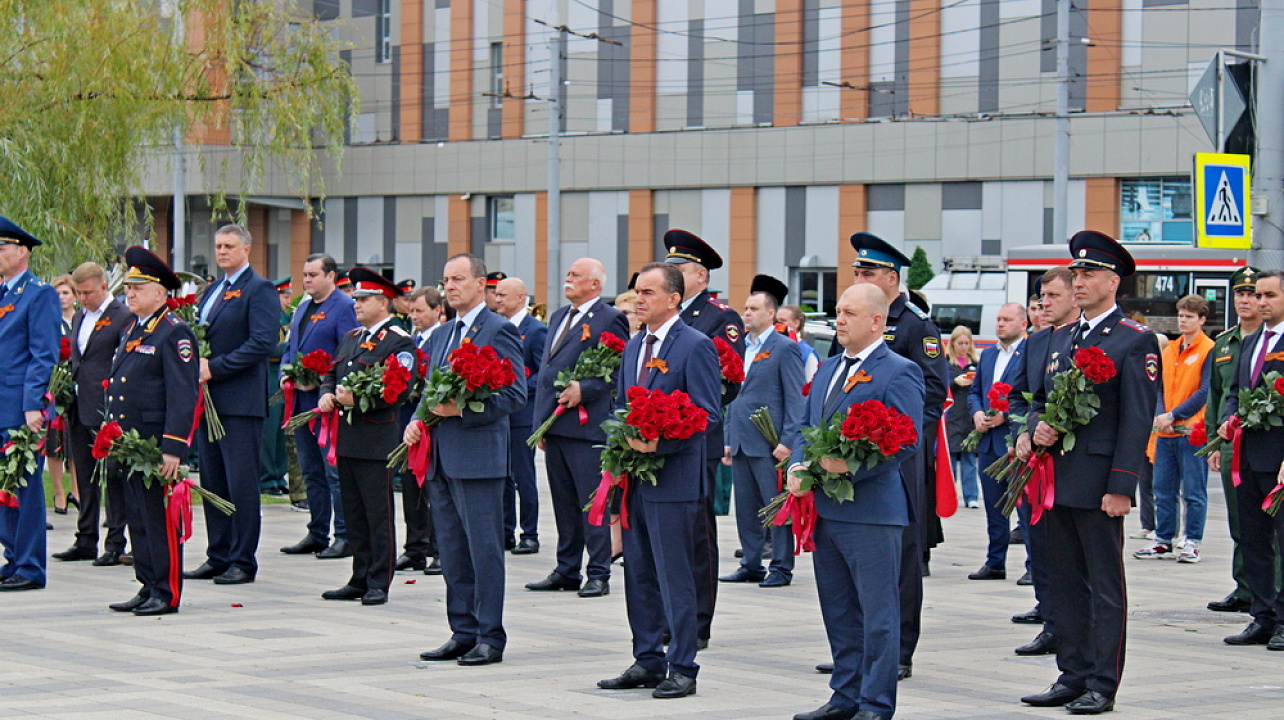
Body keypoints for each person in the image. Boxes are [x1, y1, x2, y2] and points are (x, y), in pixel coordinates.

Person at [1021, 231, 1159, 714]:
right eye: (1075, 273)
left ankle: (1102, 681)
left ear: (1113, 281)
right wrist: (1034, 428)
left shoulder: (1133, 340)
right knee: (1062, 582)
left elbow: (1136, 419)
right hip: (1055, 480)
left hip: (1099, 484)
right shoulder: (1061, 336)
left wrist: (1122, 486)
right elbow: (1038, 402)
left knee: (1103, 586)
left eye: (1089, 274)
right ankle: (1071, 673)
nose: (1079, 281)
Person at [788, 284, 925, 720]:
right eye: (837, 312)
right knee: (839, 608)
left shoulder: (899, 371)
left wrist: (850, 468)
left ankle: (876, 703)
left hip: (873, 512)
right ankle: (844, 696)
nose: (839, 319)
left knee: (878, 615)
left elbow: (906, 440)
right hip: (828, 509)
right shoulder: (829, 369)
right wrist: (796, 467)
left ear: (876, 321)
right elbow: (805, 428)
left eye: (848, 312)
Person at [821, 232, 947, 681]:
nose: (859, 277)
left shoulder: (915, 326)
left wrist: (893, 441)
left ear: (892, 279)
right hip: (841, 459)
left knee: (899, 556)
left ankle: (898, 650)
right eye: (856, 272)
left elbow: (932, 395)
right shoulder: (851, 322)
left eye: (868, 273)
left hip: (897, 458)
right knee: (845, 562)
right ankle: (856, 649)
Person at [596, 262, 720, 699]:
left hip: (674, 482)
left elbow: (707, 414)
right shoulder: (634, 347)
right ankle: (646, 657)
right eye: (635, 292)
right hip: (635, 478)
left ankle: (683, 664)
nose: (639, 299)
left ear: (673, 299)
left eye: (648, 292)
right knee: (639, 573)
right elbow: (623, 408)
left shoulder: (696, 345)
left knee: (674, 575)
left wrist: (659, 443)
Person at [411, 254, 525, 667]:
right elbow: (427, 392)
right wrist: (415, 423)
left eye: (458, 278)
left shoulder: (498, 330)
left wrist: (462, 410)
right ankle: (462, 630)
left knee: (484, 551)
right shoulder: (440, 335)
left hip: (478, 458)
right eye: (445, 280)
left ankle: (490, 636)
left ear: (482, 284)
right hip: (441, 456)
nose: (450, 286)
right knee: (453, 551)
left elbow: (514, 395)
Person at [103, 247, 200, 615]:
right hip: (130, 445)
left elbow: (182, 394)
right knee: (138, 520)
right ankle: (147, 583)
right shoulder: (132, 329)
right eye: (128, 288)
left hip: (156, 446)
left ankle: (166, 591)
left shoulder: (174, 333)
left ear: (160, 293)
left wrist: (173, 448)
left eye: (138, 288)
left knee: (160, 522)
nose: (130, 294)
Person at [526, 258, 629, 597]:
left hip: (587, 429)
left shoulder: (610, 318)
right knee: (564, 502)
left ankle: (598, 571)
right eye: (567, 273)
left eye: (575, 275)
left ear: (596, 285)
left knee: (591, 502)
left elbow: (616, 370)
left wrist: (585, 389)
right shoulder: (558, 317)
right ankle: (566, 567)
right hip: (557, 426)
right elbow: (546, 371)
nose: (567, 279)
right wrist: (542, 422)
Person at [184, 224, 278, 586]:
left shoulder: (259, 289)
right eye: (218, 245)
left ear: (247, 249)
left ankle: (242, 558)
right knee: (213, 481)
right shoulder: (211, 291)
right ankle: (218, 554)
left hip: (239, 401)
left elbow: (262, 343)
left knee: (240, 483)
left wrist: (214, 368)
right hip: (208, 402)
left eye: (229, 246)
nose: (222, 251)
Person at [317, 268, 417, 606]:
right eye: (356, 298)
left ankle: (379, 580)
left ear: (383, 303)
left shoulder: (399, 341)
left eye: (364, 299)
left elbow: (399, 389)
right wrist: (327, 393)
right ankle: (359, 577)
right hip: (347, 438)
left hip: (376, 442)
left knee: (378, 515)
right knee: (354, 513)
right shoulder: (352, 337)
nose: (356, 304)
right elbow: (331, 372)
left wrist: (356, 400)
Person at [665, 228, 744, 647]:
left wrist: (677, 412)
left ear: (700, 276)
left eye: (677, 268)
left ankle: (697, 622)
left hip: (697, 442)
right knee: (663, 535)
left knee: (697, 535)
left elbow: (727, 383)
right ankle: (669, 618)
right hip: (657, 442)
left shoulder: (720, 319)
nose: (670, 273)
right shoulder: (666, 316)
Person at [1009, 266, 1078, 658]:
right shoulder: (1035, 343)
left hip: (1069, 463)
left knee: (1068, 552)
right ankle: (1050, 620)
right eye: (1040, 298)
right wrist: (1024, 432)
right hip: (1035, 461)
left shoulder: (1082, 339)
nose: (1043, 305)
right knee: (1041, 544)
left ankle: (1069, 625)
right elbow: (1021, 398)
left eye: (1052, 296)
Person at [720, 274, 804, 587]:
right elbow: (733, 398)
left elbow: (796, 399)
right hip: (742, 442)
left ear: (771, 313)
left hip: (771, 446)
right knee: (746, 509)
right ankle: (751, 564)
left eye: (754, 309)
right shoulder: (741, 347)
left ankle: (781, 567)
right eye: (745, 308)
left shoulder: (784, 348)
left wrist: (788, 441)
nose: (746, 313)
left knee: (777, 508)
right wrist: (728, 439)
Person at [1218, 269, 1284, 651]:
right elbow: (1234, 391)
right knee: (1254, 540)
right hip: (1248, 456)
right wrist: (1229, 418)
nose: (1261, 302)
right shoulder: (1250, 340)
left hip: (1279, 462)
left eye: (1269, 296)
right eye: (1258, 295)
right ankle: (1263, 616)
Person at [278, 254, 359, 560]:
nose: (307, 280)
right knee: (310, 470)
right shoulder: (301, 309)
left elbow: (347, 354)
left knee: (333, 471)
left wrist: (322, 382)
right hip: (300, 401)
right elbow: (289, 349)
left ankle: (344, 534)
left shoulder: (344, 308)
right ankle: (317, 531)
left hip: (327, 404)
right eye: (304, 274)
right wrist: (287, 375)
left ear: (331, 277)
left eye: (313, 274)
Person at [52, 262, 133, 566]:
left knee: (112, 476)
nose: (82, 298)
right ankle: (85, 538)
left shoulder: (122, 316)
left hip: (108, 408)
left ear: (103, 286)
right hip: (78, 405)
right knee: (84, 475)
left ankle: (114, 542)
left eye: (87, 292)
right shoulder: (80, 317)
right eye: (78, 293)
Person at [1205, 267, 1274, 613]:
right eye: (1245, 295)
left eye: (1260, 295)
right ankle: (1251, 598)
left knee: (1272, 533)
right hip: (1236, 447)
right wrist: (1215, 442)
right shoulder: (1232, 342)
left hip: (1272, 452)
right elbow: (1220, 395)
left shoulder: (1269, 339)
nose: (1252, 301)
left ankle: (1274, 604)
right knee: (1244, 527)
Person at [0, 216, 59, 592]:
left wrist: (33, 405)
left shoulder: (39, 294)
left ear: (22, 251)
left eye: (1, 248)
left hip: (21, 410)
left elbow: (43, 355)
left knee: (25, 486)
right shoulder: (3, 293)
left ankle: (30, 566)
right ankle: (12, 559)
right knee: (4, 487)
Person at [1137, 295, 1213, 563]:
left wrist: (1174, 414)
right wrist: (1160, 414)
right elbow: (1158, 386)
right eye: (1180, 315)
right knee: (1162, 489)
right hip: (1166, 431)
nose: (1183, 320)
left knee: (1193, 492)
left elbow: (1205, 391)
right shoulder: (1169, 348)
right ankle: (1163, 539)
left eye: (1189, 316)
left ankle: (1192, 541)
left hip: (1192, 431)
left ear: (1202, 320)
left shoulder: (1208, 349)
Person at [966, 303, 1028, 581]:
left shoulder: (1030, 353)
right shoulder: (988, 355)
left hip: (1017, 442)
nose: (1000, 324)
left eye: (1007, 319)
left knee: (1024, 507)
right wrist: (977, 413)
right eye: (998, 319)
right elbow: (975, 392)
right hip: (989, 442)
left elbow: (1031, 396)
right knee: (994, 506)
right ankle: (995, 562)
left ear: (1023, 324)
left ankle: (1033, 566)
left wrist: (1007, 416)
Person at [493, 276, 546, 554]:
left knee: (523, 475)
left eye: (503, 295)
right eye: (496, 295)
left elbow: (544, 372)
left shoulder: (535, 330)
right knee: (502, 475)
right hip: (498, 413)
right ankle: (505, 531)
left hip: (523, 414)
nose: (497, 299)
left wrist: (519, 385)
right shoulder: (496, 327)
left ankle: (530, 532)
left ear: (520, 296)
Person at [395, 286, 444, 575]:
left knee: (434, 488)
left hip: (434, 422)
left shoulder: (443, 338)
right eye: (411, 311)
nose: (414, 316)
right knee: (410, 485)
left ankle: (439, 549)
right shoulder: (409, 341)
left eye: (420, 311)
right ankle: (415, 548)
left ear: (438, 311)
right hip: (408, 421)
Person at [260, 276, 294, 496]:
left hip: (283, 377)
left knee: (283, 429)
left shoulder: (290, 316)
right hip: (269, 375)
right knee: (269, 431)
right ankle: (266, 477)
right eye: (284, 296)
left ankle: (279, 475)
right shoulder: (266, 316)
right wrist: (288, 348)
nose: (288, 300)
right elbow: (267, 348)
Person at [48, 274, 79, 514]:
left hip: (78, 387)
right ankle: (59, 492)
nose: (62, 298)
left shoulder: (81, 320)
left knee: (76, 444)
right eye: (57, 293)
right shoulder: (50, 320)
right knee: (55, 443)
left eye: (66, 293)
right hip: (56, 388)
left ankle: (77, 492)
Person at [944, 326, 980, 509]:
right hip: (953, 415)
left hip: (969, 416)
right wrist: (954, 382)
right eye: (960, 343)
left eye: (967, 343)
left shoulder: (976, 362)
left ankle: (971, 496)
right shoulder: (947, 364)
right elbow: (940, 386)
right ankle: (951, 495)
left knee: (969, 459)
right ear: (953, 344)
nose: (963, 347)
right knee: (950, 459)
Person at [778, 304, 820, 381]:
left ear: (796, 323)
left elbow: (811, 386)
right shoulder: (771, 348)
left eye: (782, 321)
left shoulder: (807, 353)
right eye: (776, 321)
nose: (777, 324)